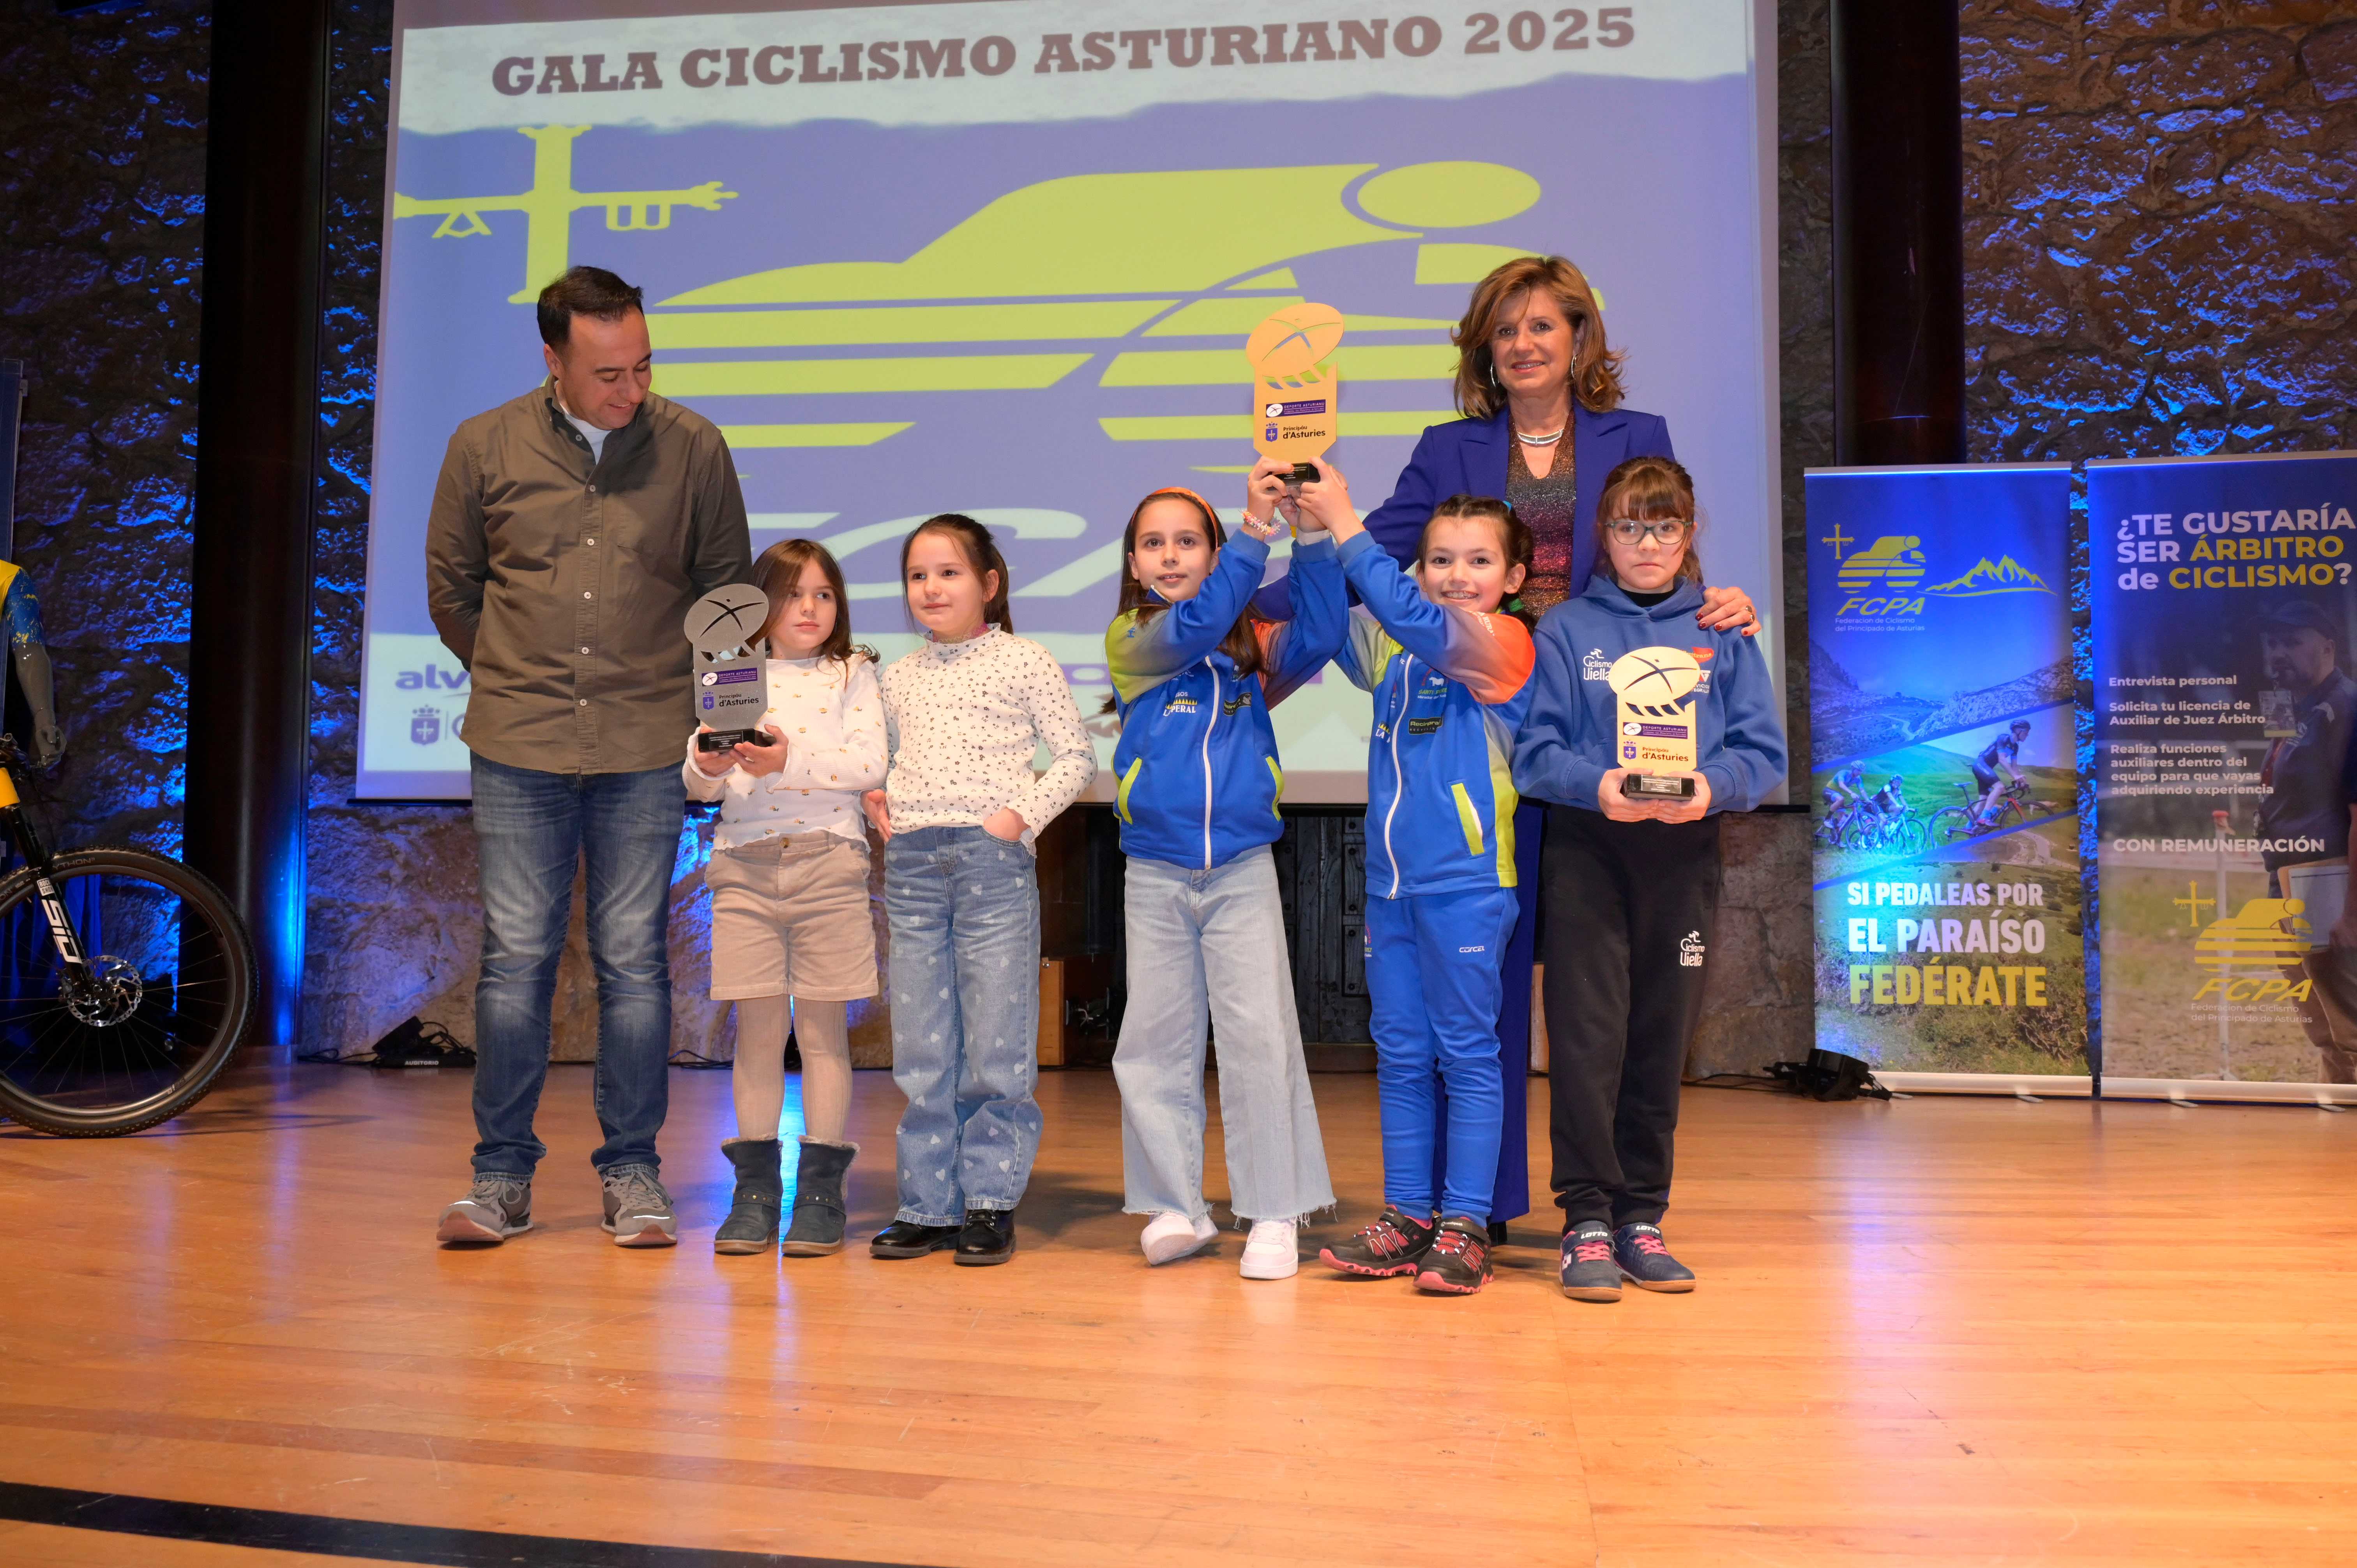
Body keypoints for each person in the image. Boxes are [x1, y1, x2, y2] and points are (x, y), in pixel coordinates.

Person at [1257, 255, 1755, 1233]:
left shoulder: (1635, 435)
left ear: (1579, 338)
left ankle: (1608, 1205)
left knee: (1599, 995)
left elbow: (1658, 547)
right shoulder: (1450, 448)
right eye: (1505, 329)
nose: (1524, 344)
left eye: (1542, 326)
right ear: (1485, 348)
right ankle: (1461, 1208)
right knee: (1464, 1000)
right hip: (1490, 738)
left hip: (1600, 721)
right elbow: (1385, 550)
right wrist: (1241, 613)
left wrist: (1717, 602)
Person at [429, 266, 753, 1249]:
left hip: (647, 744)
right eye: (609, 372)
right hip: (519, 742)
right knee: (515, 963)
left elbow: (728, 600)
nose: (632, 389)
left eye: (644, 366)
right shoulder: (483, 444)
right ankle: (499, 1180)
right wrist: (522, 675)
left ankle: (635, 1174)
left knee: (635, 966)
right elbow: (455, 591)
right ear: (553, 361)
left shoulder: (694, 446)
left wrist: (719, 729)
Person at [1512, 456, 1786, 1303]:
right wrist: (1598, 784)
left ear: (1689, 533)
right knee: (1589, 1039)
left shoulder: (1723, 629)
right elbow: (1535, 752)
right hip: (1591, 854)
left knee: (1662, 1038)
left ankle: (1642, 1215)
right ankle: (1587, 1218)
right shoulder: (1565, 630)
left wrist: (1712, 788)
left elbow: (1763, 753)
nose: (1647, 542)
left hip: (1684, 856)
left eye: (1664, 525)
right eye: (1630, 525)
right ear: (1605, 534)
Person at [1289, 463, 1535, 1295]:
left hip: (1467, 884)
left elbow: (1409, 616)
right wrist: (1313, 536)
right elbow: (1327, 621)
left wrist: (1350, 520)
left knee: (1467, 1054)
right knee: (1399, 1055)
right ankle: (1407, 1215)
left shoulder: (1503, 644)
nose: (1456, 576)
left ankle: (1466, 1224)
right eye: (1438, 560)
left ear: (1514, 578)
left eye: (1477, 561)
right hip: (1391, 890)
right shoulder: (1396, 648)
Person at [1103, 464, 1347, 1280]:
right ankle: (1176, 1204)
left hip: (1241, 867)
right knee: (1155, 1044)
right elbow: (1193, 630)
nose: (1170, 556)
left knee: (1260, 1036)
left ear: (1211, 555)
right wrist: (1253, 530)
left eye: (1188, 541)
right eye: (1154, 543)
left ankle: (1273, 1208)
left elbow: (1318, 630)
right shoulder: (1134, 644)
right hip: (1155, 872)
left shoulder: (1249, 656)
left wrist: (1309, 535)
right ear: (1134, 563)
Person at [861, 516, 1096, 1266]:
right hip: (914, 868)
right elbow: (884, 761)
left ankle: (989, 1201)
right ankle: (928, 1205)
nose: (931, 588)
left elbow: (1077, 756)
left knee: (996, 1043)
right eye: (917, 576)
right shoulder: (894, 676)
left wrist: (1014, 819)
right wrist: (880, 801)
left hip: (991, 864)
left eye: (949, 572)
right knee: (925, 1046)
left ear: (989, 584)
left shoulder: (1024, 660)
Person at [684, 539, 884, 1256]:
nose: (809, 607)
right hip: (742, 866)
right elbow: (703, 782)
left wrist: (787, 757)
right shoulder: (729, 671)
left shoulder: (852, 672)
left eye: (824, 593)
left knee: (826, 1032)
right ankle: (755, 1192)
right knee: (759, 1032)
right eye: (794, 592)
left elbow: (869, 762)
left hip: (830, 862)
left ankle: (822, 1190)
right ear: (756, 604)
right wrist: (704, 760)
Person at [2250, 601, 2357, 1082]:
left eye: (2293, 641)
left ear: (2329, 646)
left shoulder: (2348, 708)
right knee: (2321, 1023)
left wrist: (2351, 913)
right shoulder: (2291, 707)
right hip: (2289, 879)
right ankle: (2336, 1117)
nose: (2279, 652)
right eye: (2273, 642)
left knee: (2348, 1023)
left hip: (2329, 882)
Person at [1970, 720, 2032, 826]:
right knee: (1999, 787)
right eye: (2026, 732)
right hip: (1981, 764)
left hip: (1986, 769)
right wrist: (2016, 776)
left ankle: (1969, 829)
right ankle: (1984, 818)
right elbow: (2002, 759)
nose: (2028, 735)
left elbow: (2014, 766)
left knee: (1982, 803)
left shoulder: (2015, 748)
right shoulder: (2003, 739)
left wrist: (2020, 780)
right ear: (2018, 731)